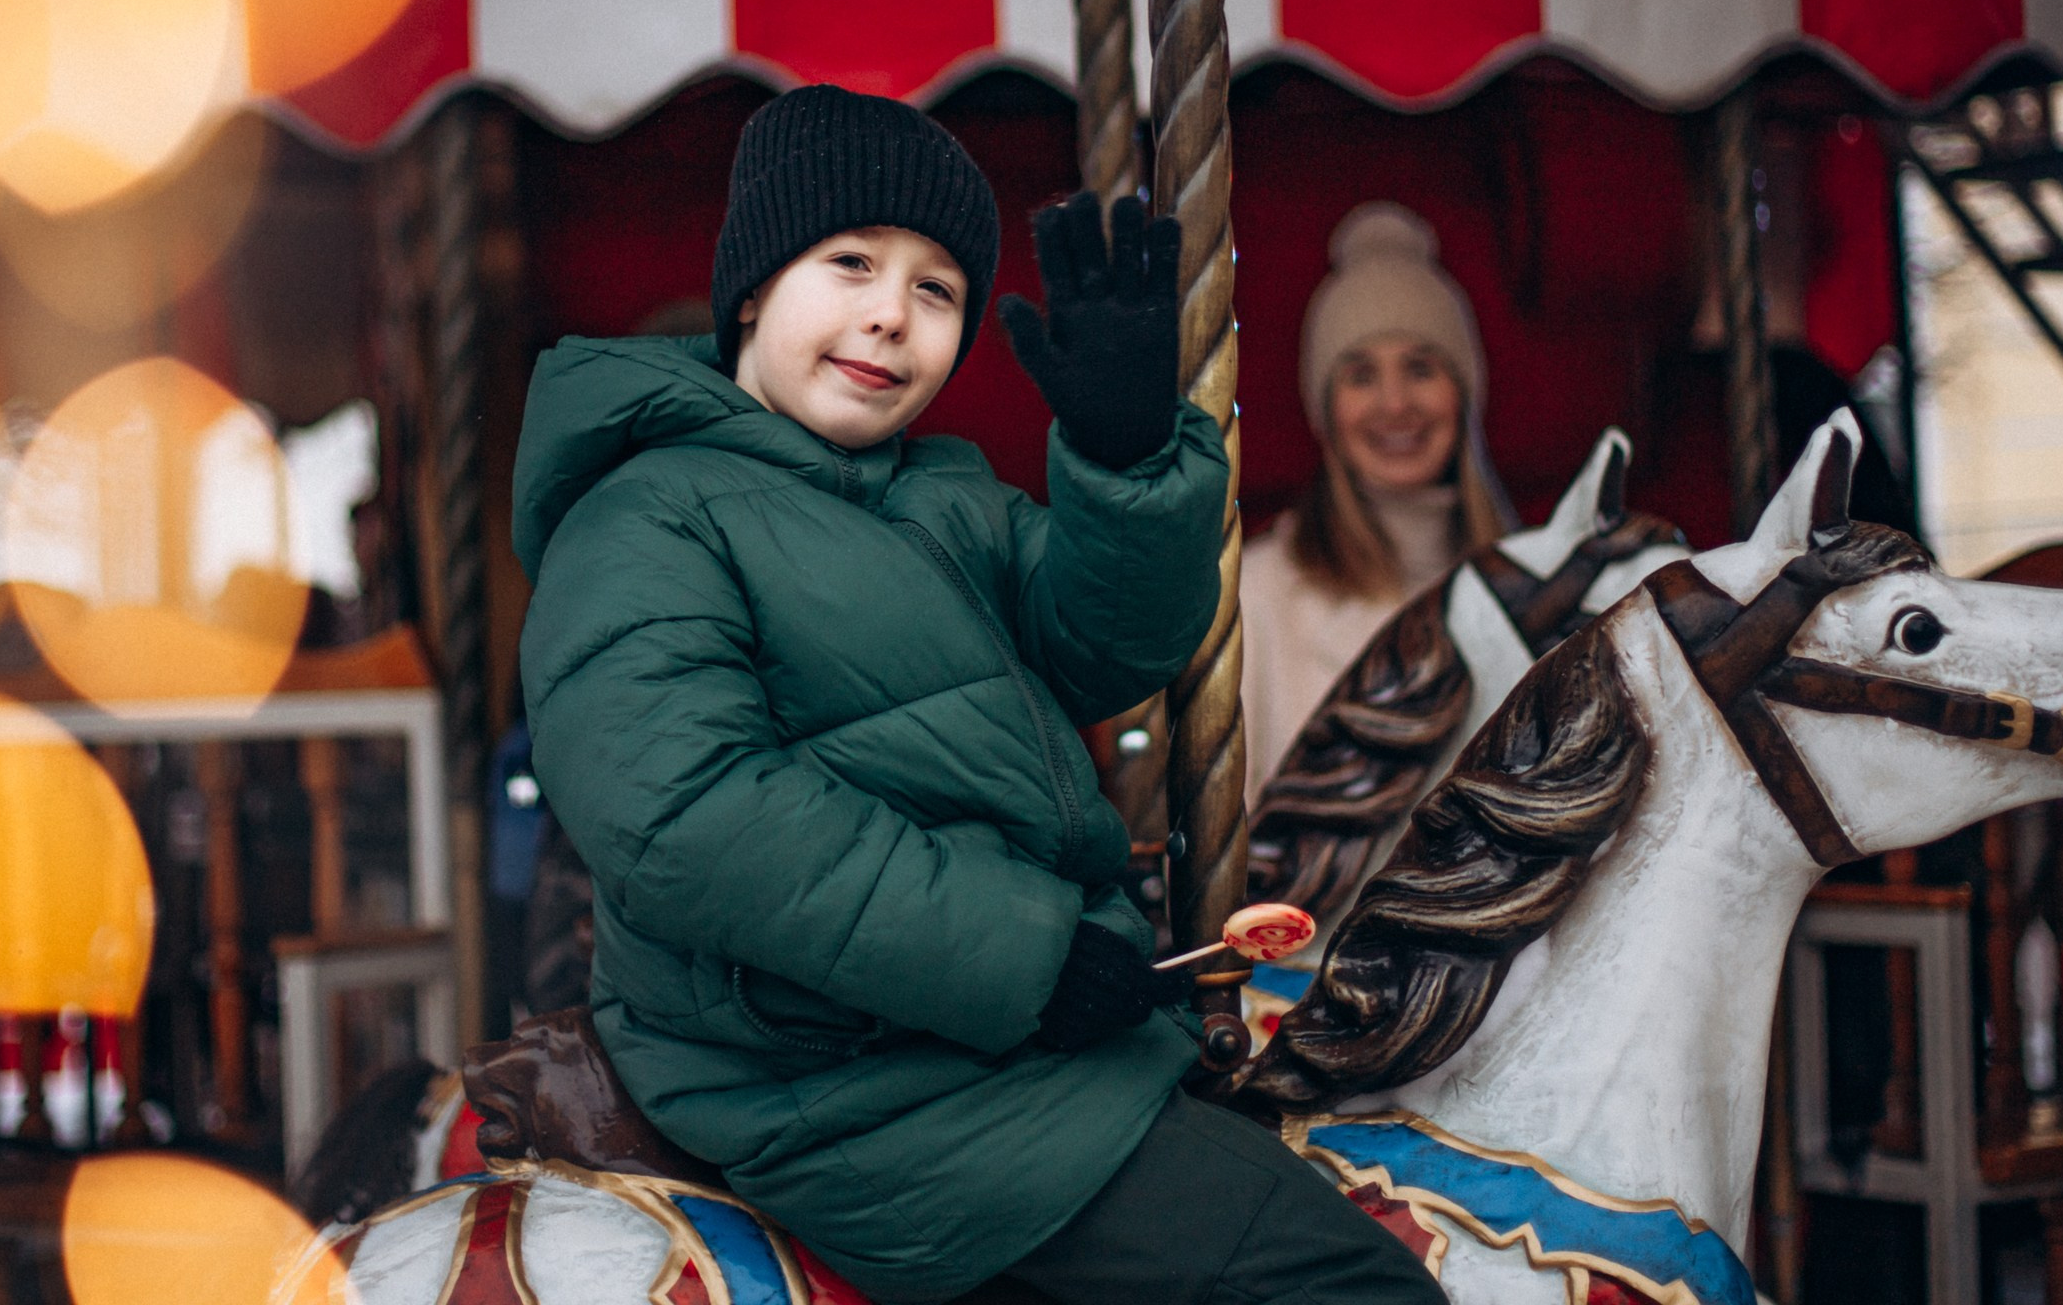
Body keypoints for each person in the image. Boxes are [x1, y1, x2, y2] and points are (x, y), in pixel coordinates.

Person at [512, 86, 1445, 1305]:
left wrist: (1125, 461)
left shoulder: (943, 497)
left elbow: (1109, 645)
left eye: (937, 289)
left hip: (973, 1045)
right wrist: (1028, 954)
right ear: (752, 289)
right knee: (1345, 1283)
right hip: (844, 1082)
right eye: (851, 263)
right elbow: (688, 816)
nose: (890, 314)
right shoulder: (644, 515)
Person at [1242, 202, 1514, 803]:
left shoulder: (1530, 590)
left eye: (1420, 368)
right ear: (1326, 410)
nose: (1395, 403)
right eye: (1361, 375)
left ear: (1463, 393)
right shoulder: (1256, 596)